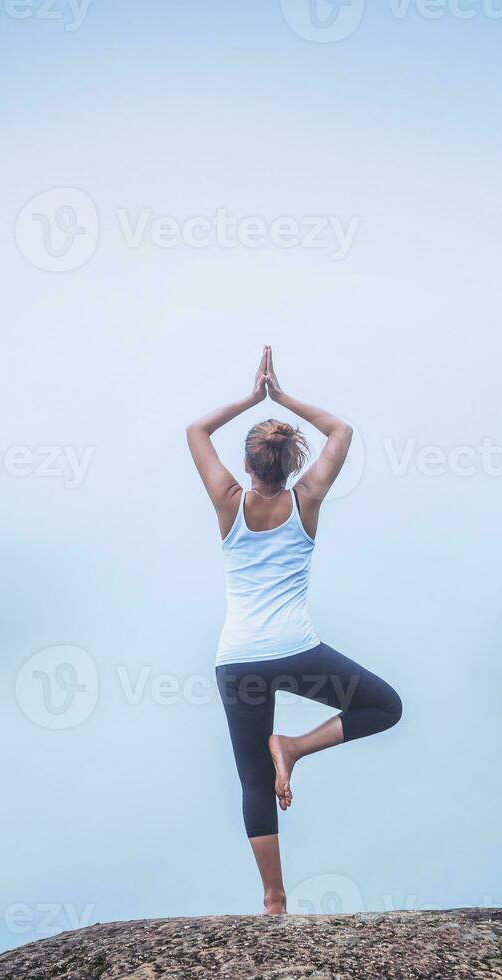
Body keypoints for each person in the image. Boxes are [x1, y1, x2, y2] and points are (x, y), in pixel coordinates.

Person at [185, 346, 403, 914]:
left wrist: (252, 397)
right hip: (296, 652)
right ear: (288, 464)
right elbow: (341, 430)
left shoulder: (228, 503)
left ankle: (275, 900)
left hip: (237, 661)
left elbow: (196, 430)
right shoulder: (307, 500)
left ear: (250, 465)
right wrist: (282, 398)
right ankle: (297, 748)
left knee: (253, 780)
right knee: (384, 706)